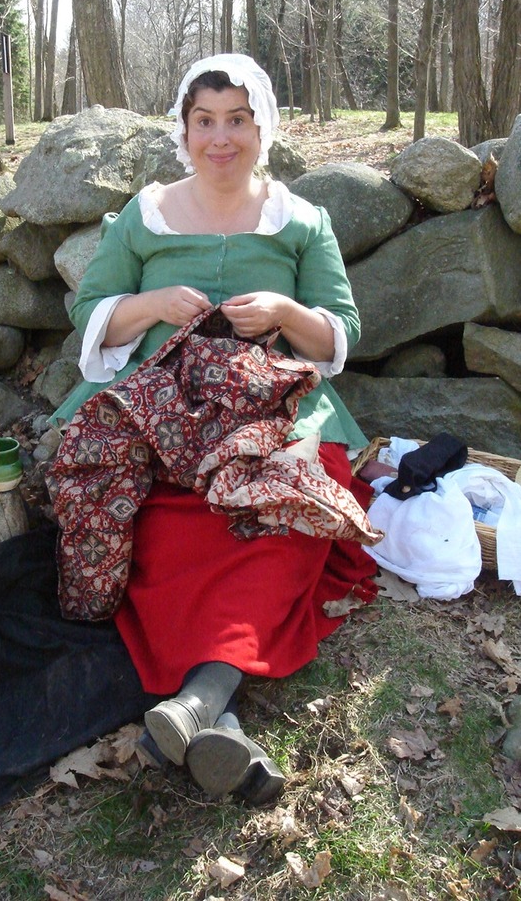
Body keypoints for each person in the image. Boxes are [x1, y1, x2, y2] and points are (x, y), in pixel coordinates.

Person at [50, 53, 378, 806]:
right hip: (168, 399)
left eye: (237, 119)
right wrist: (154, 301)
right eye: (206, 121)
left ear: (262, 126)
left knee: (285, 510)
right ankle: (215, 714)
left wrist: (288, 315)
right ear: (185, 129)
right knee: (165, 521)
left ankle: (198, 702)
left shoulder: (302, 221)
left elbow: (341, 331)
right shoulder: (148, 213)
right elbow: (90, 309)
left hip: (274, 402)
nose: (220, 138)